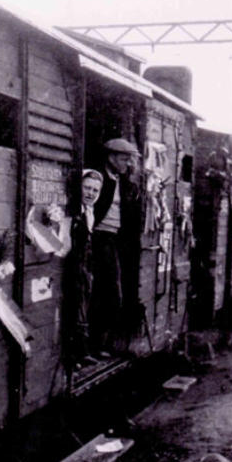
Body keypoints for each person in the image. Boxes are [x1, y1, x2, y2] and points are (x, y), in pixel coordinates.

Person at [89, 138, 142, 357]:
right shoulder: (98, 178)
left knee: (111, 293)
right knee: (106, 292)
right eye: (123, 159)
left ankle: (102, 344)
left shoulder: (123, 182)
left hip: (115, 240)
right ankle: (94, 346)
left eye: (130, 160)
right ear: (110, 158)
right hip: (99, 239)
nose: (127, 164)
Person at [65, 169, 104, 370]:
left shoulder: (90, 212)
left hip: (85, 264)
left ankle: (82, 352)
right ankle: (75, 355)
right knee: (76, 305)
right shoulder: (74, 212)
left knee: (84, 304)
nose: (90, 193)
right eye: (87, 188)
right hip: (74, 264)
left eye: (95, 190)